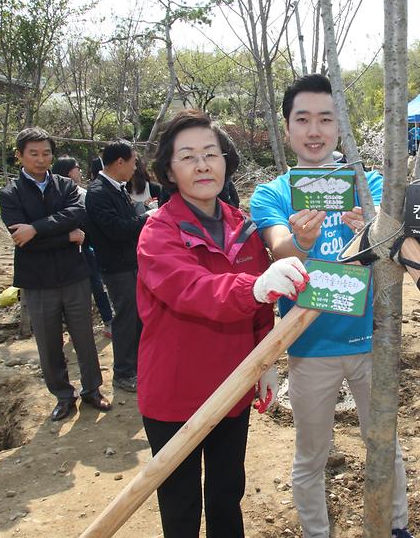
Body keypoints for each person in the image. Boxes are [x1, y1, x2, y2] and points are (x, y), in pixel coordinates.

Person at [250, 74, 412, 538]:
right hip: (308, 346)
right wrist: (299, 242)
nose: (315, 130)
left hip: (371, 341)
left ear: (341, 125)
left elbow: (393, 241)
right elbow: (278, 245)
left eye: (326, 118)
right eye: (303, 119)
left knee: (385, 444)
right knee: (311, 454)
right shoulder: (273, 193)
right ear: (287, 128)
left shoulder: (371, 184)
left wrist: (372, 231)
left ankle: (395, 526)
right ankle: (317, 533)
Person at [137, 109, 308, 537]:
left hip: (231, 388)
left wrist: (265, 360)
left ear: (225, 162)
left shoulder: (242, 226)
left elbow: (257, 310)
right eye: (188, 156)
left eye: (211, 154)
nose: (202, 165)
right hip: (174, 393)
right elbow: (191, 289)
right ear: (169, 171)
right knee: (180, 505)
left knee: (226, 493)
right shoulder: (158, 232)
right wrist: (253, 287)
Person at [0, 128, 111, 421]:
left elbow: (76, 215)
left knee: (84, 337)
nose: (40, 159)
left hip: (74, 275)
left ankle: (92, 390)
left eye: (46, 153)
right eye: (33, 153)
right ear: (19, 156)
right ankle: (63, 395)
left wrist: (35, 228)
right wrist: (65, 236)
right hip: (37, 281)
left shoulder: (65, 185)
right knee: (48, 344)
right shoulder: (10, 194)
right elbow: (22, 239)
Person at [85, 140, 150, 393]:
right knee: (125, 318)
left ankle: (136, 366)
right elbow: (117, 229)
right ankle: (123, 372)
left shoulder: (116, 188)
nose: (135, 167)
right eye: (134, 161)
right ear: (120, 162)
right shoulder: (99, 192)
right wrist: (146, 219)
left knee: (137, 316)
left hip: (129, 262)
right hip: (117, 266)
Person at [51, 157, 114, 338]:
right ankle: (87, 325)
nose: (79, 171)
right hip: (71, 247)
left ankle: (105, 322)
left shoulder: (79, 192)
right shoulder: (66, 193)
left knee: (93, 285)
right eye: (77, 168)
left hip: (82, 246)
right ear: (69, 171)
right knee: (85, 288)